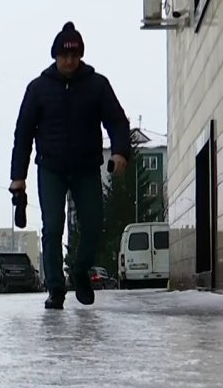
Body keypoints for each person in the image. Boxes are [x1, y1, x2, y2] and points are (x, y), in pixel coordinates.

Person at [9, 21, 131, 310]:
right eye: (64, 56)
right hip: (50, 167)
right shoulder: (38, 88)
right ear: (55, 56)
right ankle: (55, 288)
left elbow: (116, 120)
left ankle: (80, 270)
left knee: (92, 223)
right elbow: (23, 133)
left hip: (86, 166)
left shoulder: (97, 85)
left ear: (81, 56)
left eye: (74, 56)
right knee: (52, 226)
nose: (69, 61)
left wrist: (120, 152)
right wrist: (18, 178)